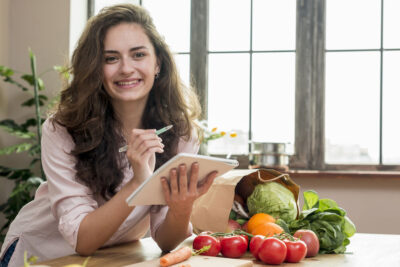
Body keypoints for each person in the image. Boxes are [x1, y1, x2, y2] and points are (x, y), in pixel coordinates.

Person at [0, 4, 217, 267]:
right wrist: (138, 183)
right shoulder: (63, 128)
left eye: (138, 55)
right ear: (95, 68)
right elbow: (82, 240)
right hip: (42, 256)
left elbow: (167, 241)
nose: (126, 68)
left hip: (109, 259)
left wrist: (182, 207)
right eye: (111, 58)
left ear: (157, 62)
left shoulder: (180, 132)